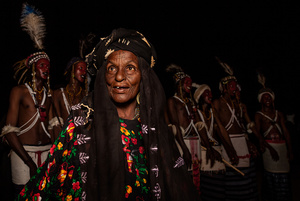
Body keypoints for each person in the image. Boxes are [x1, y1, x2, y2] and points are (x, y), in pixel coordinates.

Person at [17, 28, 200, 201]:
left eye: (130, 68)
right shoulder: (83, 122)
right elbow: (53, 176)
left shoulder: (153, 126)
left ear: (143, 75)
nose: (119, 77)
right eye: (112, 68)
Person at [0, 4, 53, 197]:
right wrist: (30, 162)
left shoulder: (49, 95)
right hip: (23, 154)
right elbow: (9, 131)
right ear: (33, 68)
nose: (46, 68)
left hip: (47, 152)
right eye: (41, 65)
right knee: (23, 194)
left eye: (48, 65)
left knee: (46, 195)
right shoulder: (19, 91)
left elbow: (54, 129)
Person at [165, 64, 221, 194]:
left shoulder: (191, 103)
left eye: (190, 82)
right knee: (182, 181)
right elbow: (176, 127)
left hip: (195, 145)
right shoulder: (172, 101)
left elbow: (199, 126)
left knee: (195, 183)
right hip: (182, 144)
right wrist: (184, 150)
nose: (189, 85)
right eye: (186, 83)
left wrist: (209, 147)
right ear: (179, 84)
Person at [213, 57, 261, 201]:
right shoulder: (217, 103)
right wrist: (228, 147)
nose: (235, 88)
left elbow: (245, 127)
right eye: (232, 86)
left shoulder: (239, 104)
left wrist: (251, 143)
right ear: (225, 88)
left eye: (236, 86)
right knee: (233, 180)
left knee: (247, 180)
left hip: (242, 142)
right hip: (230, 142)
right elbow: (218, 128)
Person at [193, 83, 238, 201]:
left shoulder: (212, 112)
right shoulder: (195, 112)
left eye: (211, 92)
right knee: (208, 192)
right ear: (199, 96)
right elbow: (200, 129)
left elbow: (221, 131)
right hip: (205, 154)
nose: (210, 95)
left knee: (220, 190)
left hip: (217, 151)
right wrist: (210, 149)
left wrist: (231, 150)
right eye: (206, 93)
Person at [254, 73, 293, 201]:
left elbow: (286, 132)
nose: (267, 99)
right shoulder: (259, 115)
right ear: (261, 100)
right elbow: (258, 134)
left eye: (269, 97)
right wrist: (269, 148)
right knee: (270, 178)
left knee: (284, 178)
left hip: (281, 147)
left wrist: (290, 150)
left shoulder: (279, 114)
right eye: (265, 97)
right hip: (268, 148)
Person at [52, 57, 88, 139]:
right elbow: (55, 124)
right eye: (81, 68)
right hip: (64, 140)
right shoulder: (59, 94)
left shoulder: (86, 95)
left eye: (85, 70)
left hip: (83, 140)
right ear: (72, 69)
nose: (84, 72)